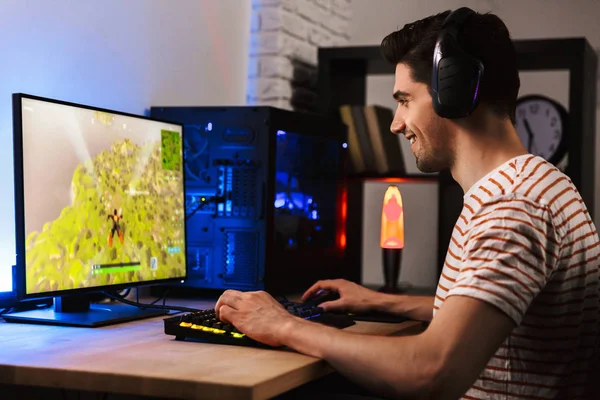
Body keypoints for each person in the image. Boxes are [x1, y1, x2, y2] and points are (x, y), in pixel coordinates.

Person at [216, 8, 599, 399]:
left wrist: (282, 325)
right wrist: (381, 301)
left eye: (404, 100)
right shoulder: (542, 183)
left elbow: (432, 370)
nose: (396, 123)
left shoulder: (511, 207)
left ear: (454, 93)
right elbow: (490, 311)